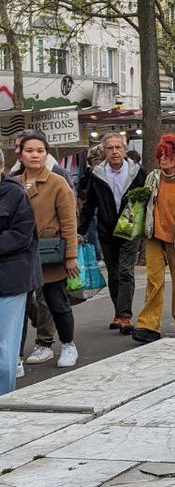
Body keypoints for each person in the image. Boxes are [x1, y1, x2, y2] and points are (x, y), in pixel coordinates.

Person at [131, 135, 175, 343]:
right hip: (154, 236)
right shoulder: (153, 178)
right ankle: (149, 324)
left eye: (169, 155)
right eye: (161, 155)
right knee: (154, 281)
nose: (163, 159)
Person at [16, 132, 80, 368]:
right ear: (20, 154)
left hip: (51, 252)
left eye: (40, 151)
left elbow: (69, 222)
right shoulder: (14, 182)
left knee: (57, 302)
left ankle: (67, 344)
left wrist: (71, 256)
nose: (35, 155)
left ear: (47, 153)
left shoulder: (57, 182)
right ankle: (19, 355)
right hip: (20, 256)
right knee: (20, 308)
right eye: (30, 150)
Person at [79, 132, 146, 335]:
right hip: (106, 231)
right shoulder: (97, 174)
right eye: (110, 148)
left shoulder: (137, 172)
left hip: (130, 229)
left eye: (118, 147)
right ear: (105, 151)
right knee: (114, 274)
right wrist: (81, 230)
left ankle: (125, 315)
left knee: (126, 271)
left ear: (124, 150)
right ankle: (118, 313)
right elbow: (90, 204)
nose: (115, 151)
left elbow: (148, 200)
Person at [0, 145, 39, 395]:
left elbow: (21, 235)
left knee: (4, 355)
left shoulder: (14, 195)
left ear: (2, 167)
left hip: (10, 281)